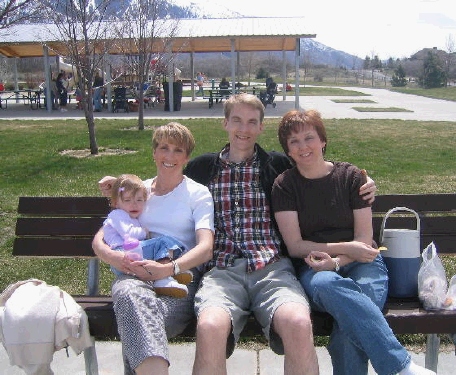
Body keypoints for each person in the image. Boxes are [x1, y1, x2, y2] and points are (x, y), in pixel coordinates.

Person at [183, 93, 377, 375]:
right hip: (222, 271)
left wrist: (364, 181)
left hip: (273, 269)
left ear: (261, 127)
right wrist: (123, 186)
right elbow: (167, 186)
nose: (244, 129)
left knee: (299, 322)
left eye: (252, 122)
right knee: (209, 326)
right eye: (237, 120)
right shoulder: (203, 169)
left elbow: (317, 166)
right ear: (225, 123)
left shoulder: (276, 166)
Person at [271, 109, 436, 375]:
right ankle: (400, 367)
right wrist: (342, 252)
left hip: (364, 265)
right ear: (287, 150)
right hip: (315, 268)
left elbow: (363, 239)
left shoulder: (351, 178)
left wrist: (339, 260)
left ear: (323, 140)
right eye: (294, 141)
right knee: (331, 288)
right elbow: (296, 246)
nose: (303, 147)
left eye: (309, 138)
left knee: (350, 323)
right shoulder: (285, 186)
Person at [92, 122, 214, 375]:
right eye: (163, 148)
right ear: (154, 152)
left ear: (187, 157)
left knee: (134, 320)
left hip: (178, 282)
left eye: (178, 150)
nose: (169, 156)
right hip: (134, 277)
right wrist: (112, 256)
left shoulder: (197, 194)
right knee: (128, 293)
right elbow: (101, 238)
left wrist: (168, 268)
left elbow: (206, 248)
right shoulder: (138, 191)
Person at [103, 173, 193, 298]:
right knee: (165, 242)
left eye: (139, 200)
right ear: (116, 203)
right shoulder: (117, 215)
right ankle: (163, 277)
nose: (134, 205)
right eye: (127, 200)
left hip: (130, 254)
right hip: (123, 255)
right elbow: (128, 234)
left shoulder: (127, 215)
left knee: (165, 246)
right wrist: (144, 232)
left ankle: (168, 273)